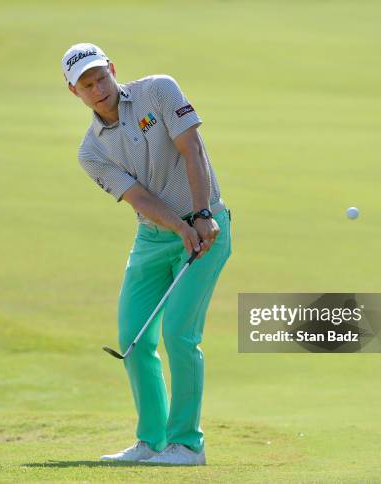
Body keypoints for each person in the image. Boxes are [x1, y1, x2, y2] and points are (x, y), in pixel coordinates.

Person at [61, 43, 231, 466]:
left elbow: (193, 149)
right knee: (133, 338)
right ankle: (152, 442)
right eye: (87, 84)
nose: (98, 87)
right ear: (74, 92)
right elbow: (137, 196)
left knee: (179, 333)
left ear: (113, 70)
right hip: (155, 238)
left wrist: (202, 215)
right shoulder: (91, 152)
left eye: (101, 76)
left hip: (208, 228)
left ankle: (187, 444)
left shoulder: (159, 90)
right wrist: (179, 227)